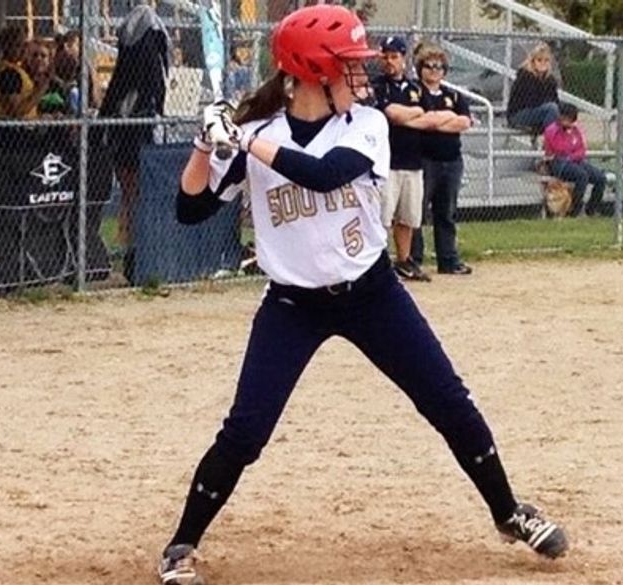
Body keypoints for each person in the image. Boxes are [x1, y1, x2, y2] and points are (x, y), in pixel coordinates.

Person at [158, 6, 569, 583]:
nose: (361, 77)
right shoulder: (258, 135)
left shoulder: (366, 126)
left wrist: (245, 144)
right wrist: (206, 146)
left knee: (448, 401)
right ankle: (180, 545)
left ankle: (509, 511)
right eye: (347, 66)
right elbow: (190, 210)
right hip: (292, 305)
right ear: (312, 72)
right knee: (245, 431)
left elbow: (324, 175)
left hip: (372, 293)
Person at [98, 0, 171, 277]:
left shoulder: (146, 85)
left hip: (139, 134)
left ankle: (137, 251)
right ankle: (131, 250)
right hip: (129, 136)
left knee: (137, 195)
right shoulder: (128, 85)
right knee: (131, 195)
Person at [372, 36, 447, 282]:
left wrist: (411, 115)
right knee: (383, 216)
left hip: (413, 161)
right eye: (385, 56)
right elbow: (390, 113)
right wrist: (413, 115)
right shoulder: (378, 85)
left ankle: (404, 260)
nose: (389, 61)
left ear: (404, 59)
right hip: (388, 162)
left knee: (408, 217)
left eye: (394, 56)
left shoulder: (415, 88)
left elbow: (430, 117)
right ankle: (377, 261)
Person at [411, 43, 473, 276]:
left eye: (439, 66)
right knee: (417, 211)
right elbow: (420, 121)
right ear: (421, 68)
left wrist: (437, 120)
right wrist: (445, 119)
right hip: (425, 159)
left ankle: (448, 259)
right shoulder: (415, 92)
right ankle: (414, 259)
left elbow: (464, 122)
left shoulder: (453, 95)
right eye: (429, 66)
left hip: (452, 160)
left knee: (446, 212)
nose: (435, 70)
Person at [543, 103, 608, 217]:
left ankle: (591, 209)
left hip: (574, 161)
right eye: (565, 118)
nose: (568, 121)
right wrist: (568, 142)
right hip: (557, 163)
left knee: (600, 178)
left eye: (570, 119)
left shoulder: (575, 130)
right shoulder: (552, 130)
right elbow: (559, 149)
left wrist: (572, 156)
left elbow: (581, 149)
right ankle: (574, 210)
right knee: (582, 176)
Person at [507, 42, 560, 135]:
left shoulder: (550, 79)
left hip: (539, 112)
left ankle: (558, 143)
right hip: (518, 115)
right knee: (552, 108)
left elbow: (555, 100)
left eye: (546, 60)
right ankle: (550, 142)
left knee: (564, 113)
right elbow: (531, 102)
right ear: (533, 61)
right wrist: (547, 101)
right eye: (539, 60)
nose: (543, 63)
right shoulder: (525, 76)